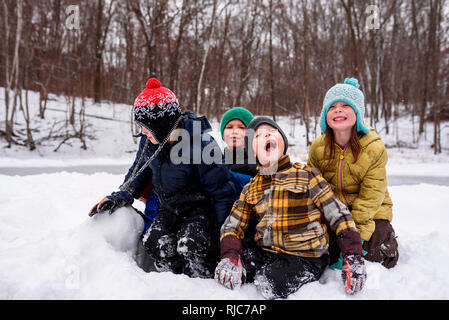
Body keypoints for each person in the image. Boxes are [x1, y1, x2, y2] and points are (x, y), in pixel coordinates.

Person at [89, 78, 236, 278]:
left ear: (163, 124)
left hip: (200, 210)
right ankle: (170, 282)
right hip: (169, 208)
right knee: (154, 242)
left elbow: (222, 192)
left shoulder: (201, 144)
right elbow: (138, 172)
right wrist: (121, 195)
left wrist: (224, 235)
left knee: (190, 243)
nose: (143, 132)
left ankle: (201, 282)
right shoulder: (150, 142)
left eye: (146, 126)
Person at [214, 116, 366, 299]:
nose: (267, 135)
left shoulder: (306, 175)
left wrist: (353, 254)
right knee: (235, 272)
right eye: (258, 135)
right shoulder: (251, 188)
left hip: (305, 255)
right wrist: (230, 255)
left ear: (283, 143)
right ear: (252, 152)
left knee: (269, 281)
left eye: (272, 132)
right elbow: (233, 224)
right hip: (268, 252)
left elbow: (338, 214)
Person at [308, 77, 399, 269]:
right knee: (323, 254)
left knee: (376, 255)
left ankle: (385, 238)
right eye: (332, 107)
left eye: (345, 105)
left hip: (371, 212)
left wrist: (354, 237)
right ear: (325, 115)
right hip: (335, 213)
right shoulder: (318, 148)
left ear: (357, 113)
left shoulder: (373, 147)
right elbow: (314, 189)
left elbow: (371, 197)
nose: (338, 110)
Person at [220, 107, 258, 194]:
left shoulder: (259, 164)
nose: (234, 131)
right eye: (229, 127)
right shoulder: (218, 162)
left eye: (241, 128)